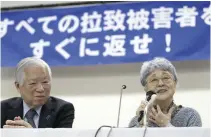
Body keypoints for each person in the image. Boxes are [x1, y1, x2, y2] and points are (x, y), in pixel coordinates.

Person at [1, 57, 75, 128]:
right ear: (18, 86)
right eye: (33, 83)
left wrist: (31, 134)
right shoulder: (3, 109)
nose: (41, 89)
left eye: (45, 82)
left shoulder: (63, 109)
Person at [129, 57, 202, 127]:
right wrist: (142, 122)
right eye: (154, 80)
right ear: (145, 88)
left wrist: (167, 126)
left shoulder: (190, 116)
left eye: (166, 78)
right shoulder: (136, 121)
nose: (160, 83)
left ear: (175, 83)